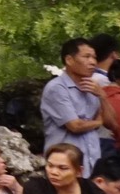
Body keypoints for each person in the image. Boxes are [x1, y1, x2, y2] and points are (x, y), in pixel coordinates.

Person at [41, 38, 113, 170]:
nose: (92, 62)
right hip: (64, 165)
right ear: (69, 60)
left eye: (94, 57)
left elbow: (110, 123)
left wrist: (102, 96)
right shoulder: (57, 88)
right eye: (86, 57)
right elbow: (75, 125)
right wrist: (98, 122)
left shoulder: (93, 88)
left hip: (92, 160)